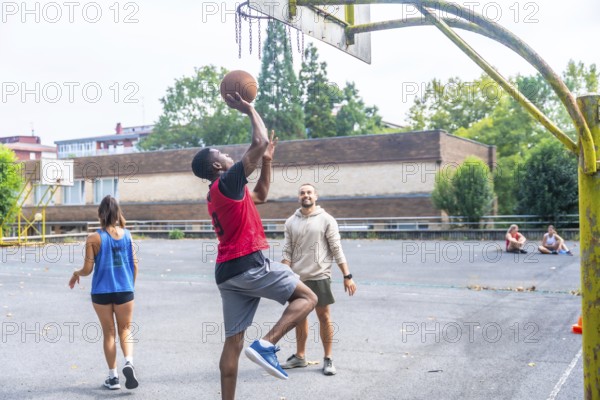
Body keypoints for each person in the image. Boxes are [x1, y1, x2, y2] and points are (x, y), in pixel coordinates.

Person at [191, 92, 317, 400]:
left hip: (228, 275)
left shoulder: (219, 193)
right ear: (217, 167)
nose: (229, 155)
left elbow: (260, 195)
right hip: (249, 264)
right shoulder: (227, 182)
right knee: (307, 298)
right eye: (222, 154)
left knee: (232, 343)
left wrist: (269, 162)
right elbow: (258, 141)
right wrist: (249, 108)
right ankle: (267, 344)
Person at [280, 183, 357, 376]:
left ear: (316, 196)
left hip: (319, 276)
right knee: (299, 318)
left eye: (309, 192)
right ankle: (300, 356)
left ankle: (328, 358)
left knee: (324, 317)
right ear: (298, 197)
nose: (305, 195)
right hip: (297, 278)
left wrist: (347, 276)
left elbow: (336, 249)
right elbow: (287, 250)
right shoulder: (290, 221)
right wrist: (284, 274)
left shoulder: (326, 220)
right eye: (302, 193)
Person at [68, 195, 139, 390]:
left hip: (101, 292)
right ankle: (129, 363)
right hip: (125, 290)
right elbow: (134, 265)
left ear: (100, 213)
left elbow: (87, 270)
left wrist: (75, 273)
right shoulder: (127, 235)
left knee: (109, 333)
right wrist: (128, 287)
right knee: (125, 329)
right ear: (118, 213)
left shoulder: (93, 238)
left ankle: (113, 377)